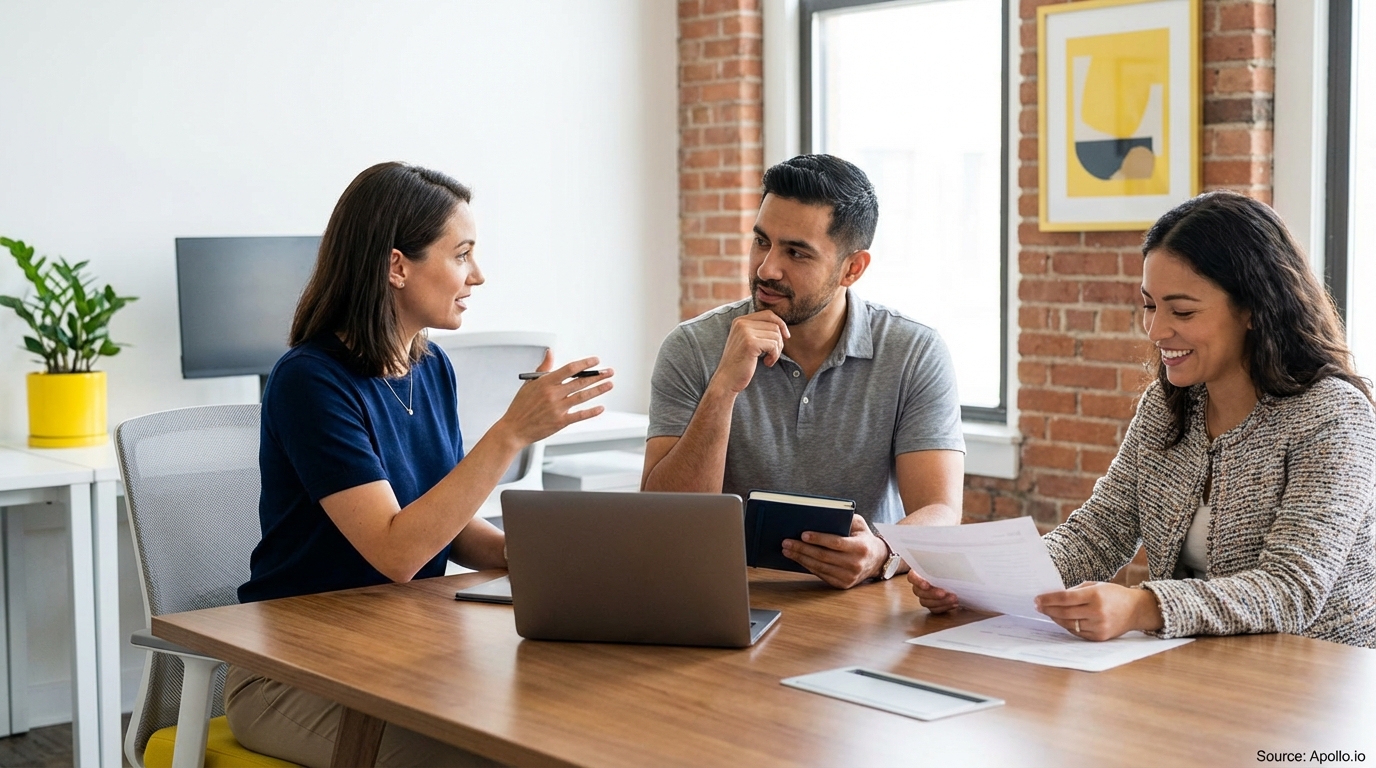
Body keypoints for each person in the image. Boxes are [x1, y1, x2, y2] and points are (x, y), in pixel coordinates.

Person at [228, 162, 614, 766]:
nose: (478, 275)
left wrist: (533, 554)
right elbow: (398, 552)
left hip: (402, 654)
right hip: (297, 671)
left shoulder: (429, 368)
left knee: (568, 723)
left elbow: (444, 521)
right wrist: (511, 432)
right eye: (462, 255)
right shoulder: (310, 381)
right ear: (396, 265)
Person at [911, 190, 1376, 648]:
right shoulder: (1168, 404)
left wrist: (1143, 607)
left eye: (1182, 311)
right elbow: (1100, 531)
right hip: (1199, 668)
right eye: (1150, 305)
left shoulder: (1332, 415)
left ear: (1254, 309)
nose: (1155, 331)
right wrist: (982, 584)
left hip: (1320, 681)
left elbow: (1291, 588)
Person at [642, 154, 965, 590]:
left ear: (852, 268)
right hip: (725, 596)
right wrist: (723, 389)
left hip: (860, 606)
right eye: (761, 241)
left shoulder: (913, 352)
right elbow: (665, 524)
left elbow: (942, 512)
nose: (766, 269)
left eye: (796, 252)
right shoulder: (692, 347)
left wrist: (883, 551)